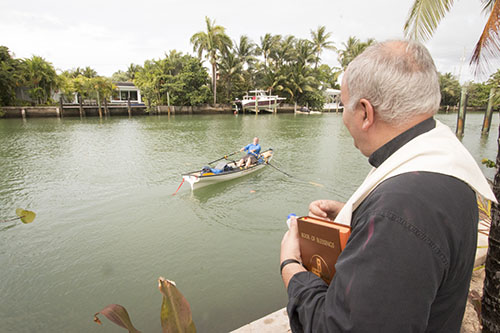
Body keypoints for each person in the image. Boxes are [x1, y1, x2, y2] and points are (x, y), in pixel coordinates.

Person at [280, 40, 497, 332]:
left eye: (345, 107)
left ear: (366, 113)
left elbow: (339, 327)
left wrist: (291, 268)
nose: (344, 119)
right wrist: (358, 220)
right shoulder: (445, 166)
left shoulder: (397, 211)